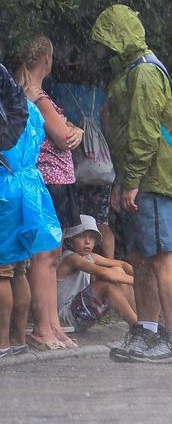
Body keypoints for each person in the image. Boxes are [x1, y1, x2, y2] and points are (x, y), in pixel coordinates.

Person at [90, 4, 172, 364]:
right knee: (141, 259)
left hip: (156, 181)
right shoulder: (129, 71)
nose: (103, 50)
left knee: (164, 258)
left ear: (120, 38)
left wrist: (130, 180)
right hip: (139, 180)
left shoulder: (146, 73)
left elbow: (145, 133)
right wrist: (124, 181)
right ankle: (147, 332)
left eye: (107, 41)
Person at [12, 35, 84, 350]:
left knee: (51, 256)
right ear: (47, 61)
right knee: (44, 257)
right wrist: (75, 130)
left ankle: (52, 325)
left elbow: (65, 130)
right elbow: (62, 134)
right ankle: (44, 327)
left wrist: (75, 129)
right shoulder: (36, 96)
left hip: (51, 183)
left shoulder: (28, 94)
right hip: (49, 182)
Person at [0, 76, 62, 358]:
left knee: (1, 271)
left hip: (4, 185)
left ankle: (1, 343)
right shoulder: (32, 111)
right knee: (20, 269)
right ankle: (18, 339)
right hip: (29, 191)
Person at [49, 70, 117, 258]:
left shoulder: (58, 91)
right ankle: (108, 264)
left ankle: (72, 266)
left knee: (73, 219)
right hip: (101, 168)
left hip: (74, 166)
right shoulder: (99, 94)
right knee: (102, 221)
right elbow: (107, 127)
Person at [56, 215, 138, 334]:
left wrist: (139, 277)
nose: (87, 242)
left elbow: (122, 265)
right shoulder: (70, 258)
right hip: (65, 317)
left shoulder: (90, 257)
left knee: (118, 270)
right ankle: (137, 326)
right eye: (81, 236)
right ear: (70, 239)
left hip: (80, 314)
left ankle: (139, 322)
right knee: (107, 284)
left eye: (91, 237)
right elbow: (103, 273)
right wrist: (139, 283)